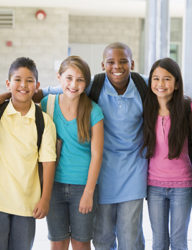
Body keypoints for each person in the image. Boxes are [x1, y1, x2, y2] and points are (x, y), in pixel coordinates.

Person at [41, 42, 148, 250]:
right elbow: (50, 90)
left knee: (129, 236)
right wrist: (6, 95)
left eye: (123, 61)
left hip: (130, 171)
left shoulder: (143, 85)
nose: (117, 66)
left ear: (132, 63)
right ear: (102, 65)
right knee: (102, 237)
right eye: (111, 62)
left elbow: (171, 93)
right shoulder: (91, 86)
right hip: (100, 175)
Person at [0, 57, 57, 250]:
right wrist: (1, 97)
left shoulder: (44, 121)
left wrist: (45, 199)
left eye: (29, 81)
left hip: (26, 203)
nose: (23, 85)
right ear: (8, 83)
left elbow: (48, 162)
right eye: (17, 80)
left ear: (37, 85)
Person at [41, 56, 104, 250]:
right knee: (57, 242)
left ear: (86, 83)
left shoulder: (94, 111)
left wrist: (88, 192)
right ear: (59, 77)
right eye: (69, 78)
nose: (73, 85)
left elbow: (97, 155)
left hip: (83, 187)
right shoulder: (47, 105)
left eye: (80, 80)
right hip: (54, 185)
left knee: (81, 242)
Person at [142, 58, 192, 250]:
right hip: (154, 185)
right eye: (156, 78)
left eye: (167, 79)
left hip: (182, 185)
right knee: (159, 242)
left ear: (177, 83)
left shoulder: (188, 108)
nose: (161, 84)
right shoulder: (146, 108)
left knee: (179, 241)